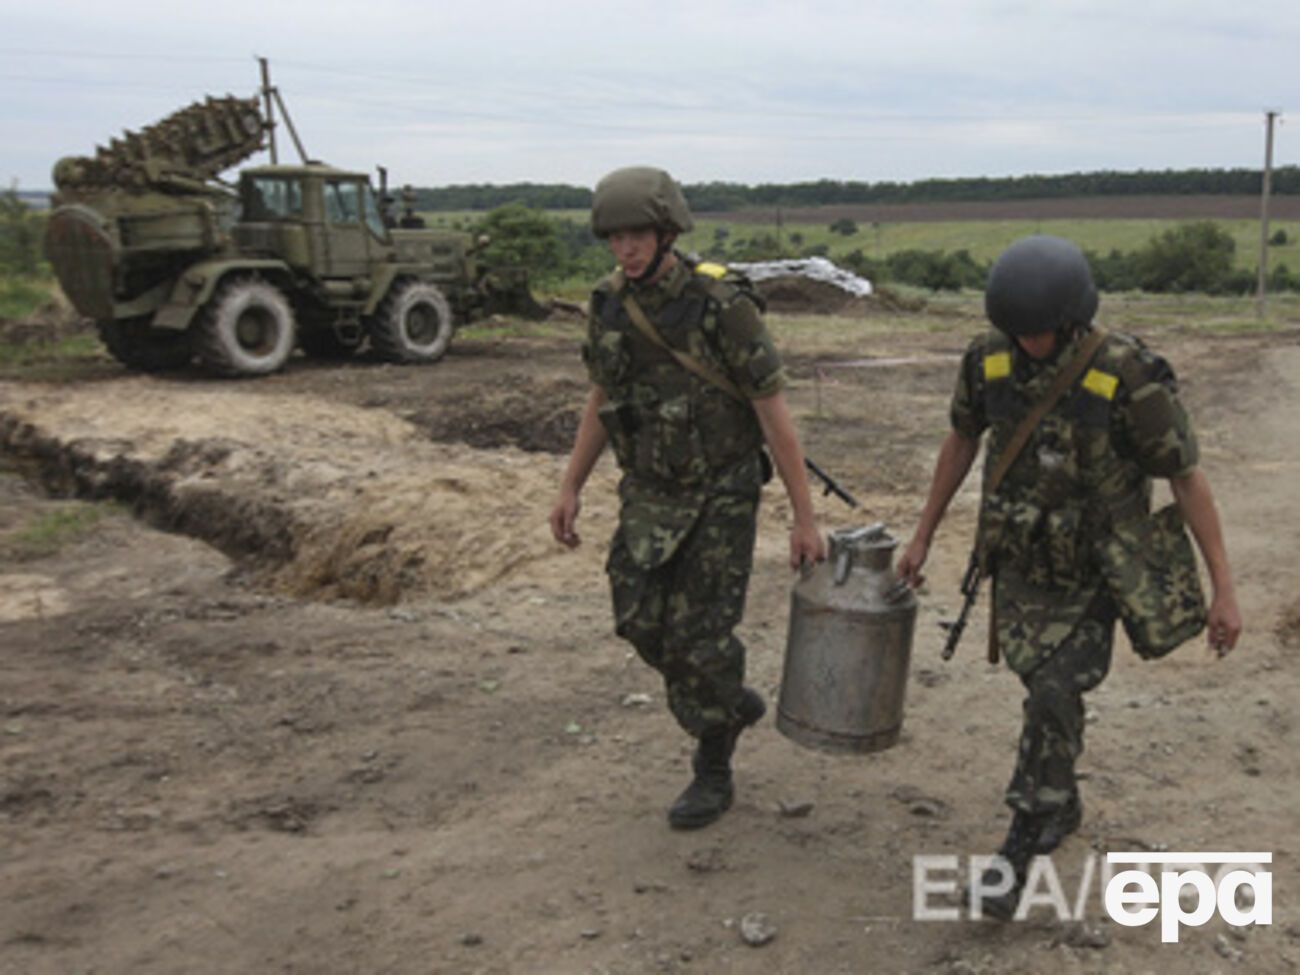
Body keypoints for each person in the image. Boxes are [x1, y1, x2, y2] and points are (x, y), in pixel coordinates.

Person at [896, 234, 1242, 918]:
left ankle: (1021, 844)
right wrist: (923, 533)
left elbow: (1185, 477)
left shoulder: (1126, 373)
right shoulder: (986, 360)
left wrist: (1224, 587)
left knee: (1055, 687)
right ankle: (1063, 799)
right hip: (1021, 561)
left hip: (1097, 570)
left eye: (1040, 330)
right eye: (1017, 331)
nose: (1029, 343)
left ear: (1074, 317)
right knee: (1039, 680)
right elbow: (962, 440)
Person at [549, 166, 826, 830]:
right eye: (615, 237)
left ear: (666, 230)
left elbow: (773, 411)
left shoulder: (719, 304)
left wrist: (804, 517)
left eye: (639, 234)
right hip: (648, 490)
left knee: (700, 634)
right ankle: (729, 699)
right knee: (640, 619)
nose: (628, 249)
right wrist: (570, 483)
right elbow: (602, 397)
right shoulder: (609, 304)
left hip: (720, 492)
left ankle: (713, 761)